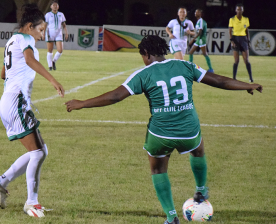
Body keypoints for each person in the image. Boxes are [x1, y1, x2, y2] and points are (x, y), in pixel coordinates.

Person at [65, 35, 262, 224]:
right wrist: (246, 85)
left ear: (146, 54)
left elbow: (116, 96)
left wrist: (82, 103)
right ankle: (200, 190)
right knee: (198, 148)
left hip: (161, 134)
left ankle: (171, 217)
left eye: (142, 56)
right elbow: (219, 80)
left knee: (158, 168)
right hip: (189, 131)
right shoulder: (185, 65)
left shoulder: (143, 74)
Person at [0, 3, 65, 218]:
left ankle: (0, 183)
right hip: (17, 102)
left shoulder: (12, 40)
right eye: (40, 30)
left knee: (39, 152)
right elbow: (29, 60)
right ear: (30, 26)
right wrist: (53, 80)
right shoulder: (27, 39)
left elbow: (3, 73)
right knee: (38, 152)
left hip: (8, 101)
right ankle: (31, 203)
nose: (42, 35)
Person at [229, 4, 253, 82]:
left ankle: (251, 78)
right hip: (235, 38)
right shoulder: (232, 19)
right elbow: (230, 31)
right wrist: (232, 41)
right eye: (238, 9)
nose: (239, 11)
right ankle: (234, 78)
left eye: (241, 9)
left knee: (246, 60)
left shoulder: (246, 19)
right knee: (236, 60)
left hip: (243, 39)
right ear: (236, 10)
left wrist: (248, 41)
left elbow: (247, 30)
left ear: (242, 10)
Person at [44, 0, 68, 71]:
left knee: (60, 50)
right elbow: (45, 25)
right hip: (50, 33)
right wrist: (43, 33)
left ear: (58, 7)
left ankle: (53, 61)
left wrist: (66, 33)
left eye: (56, 5)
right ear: (51, 6)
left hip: (58, 34)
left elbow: (64, 25)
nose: (55, 6)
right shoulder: (48, 15)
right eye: (53, 5)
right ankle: (50, 67)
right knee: (50, 50)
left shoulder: (61, 14)